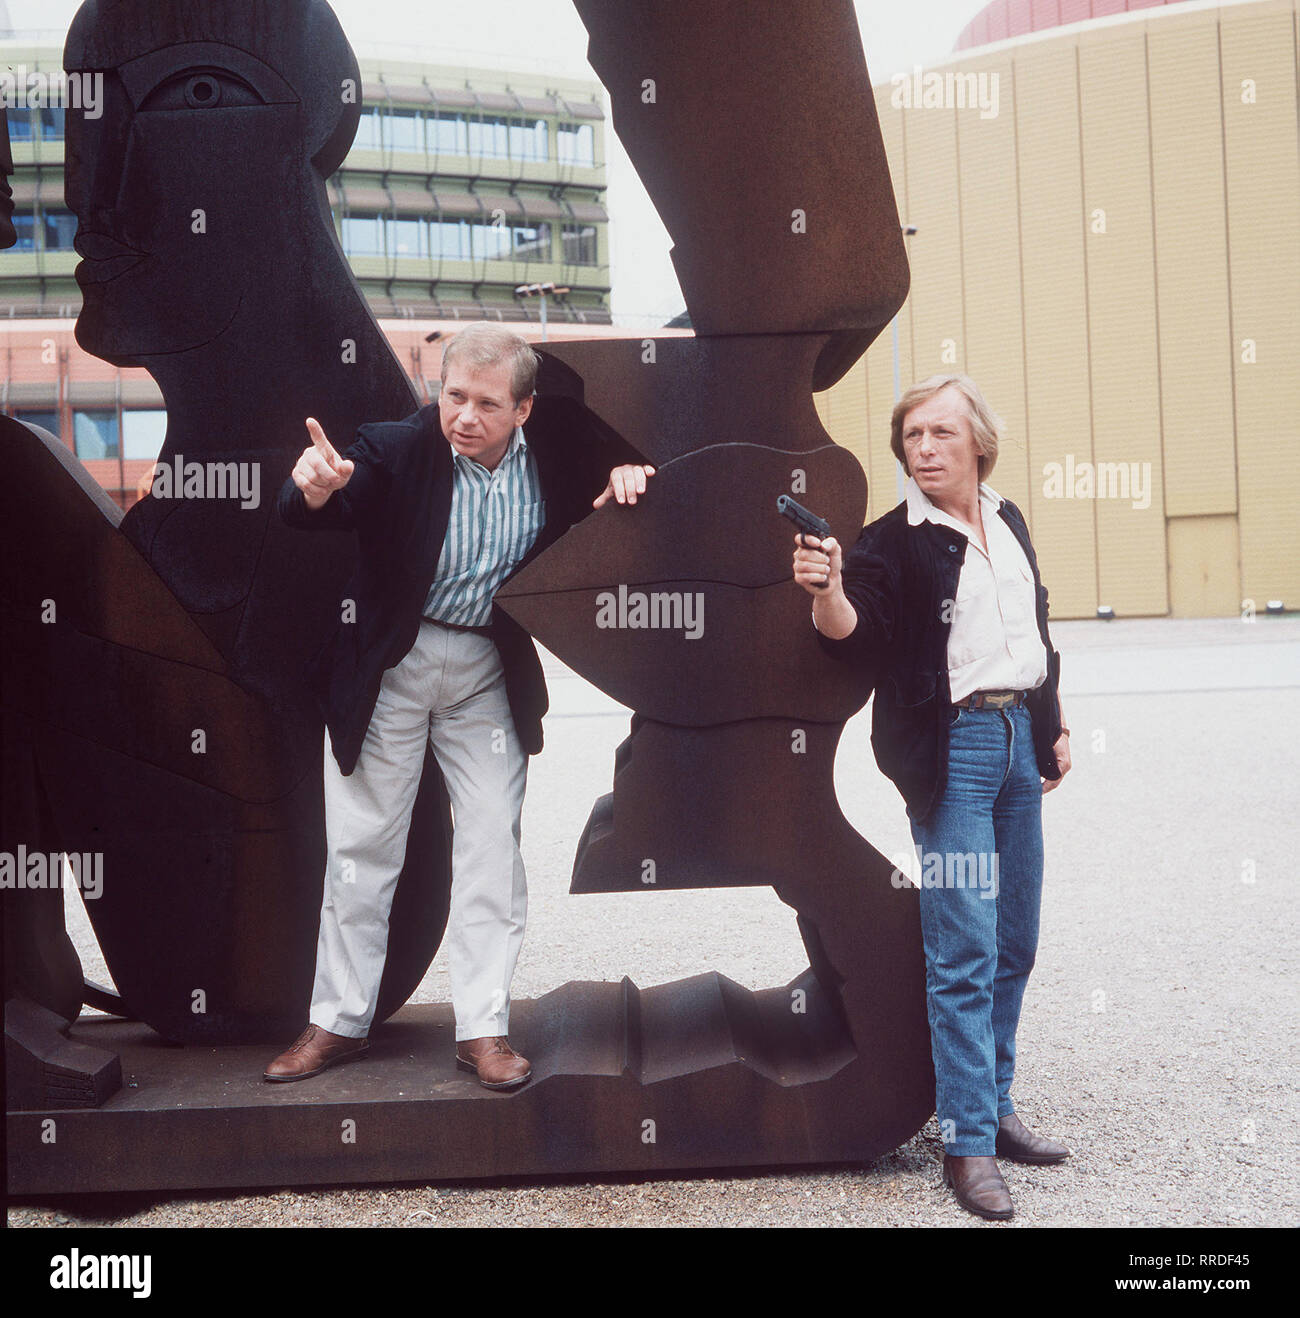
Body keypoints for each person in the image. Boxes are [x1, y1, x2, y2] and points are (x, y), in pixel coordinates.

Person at [265, 323, 654, 1089]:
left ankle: (483, 1029)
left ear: (524, 410)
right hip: (391, 664)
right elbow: (326, 498)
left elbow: (616, 471)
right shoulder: (396, 448)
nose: (464, 416)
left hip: (485, 664)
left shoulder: (555, 450)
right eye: (453, 396)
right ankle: (336, 1023)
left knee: (490, 850)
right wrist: (313, 487)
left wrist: (630, 475)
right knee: (361, 849)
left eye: (486, 403)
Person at [792, 373, 1071, 1220]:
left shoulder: (1009, 517)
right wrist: (828, 589)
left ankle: (997, 1103)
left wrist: (1052, 723)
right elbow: (857, 632)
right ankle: (967, 1143)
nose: (925, 449)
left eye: (942, 434)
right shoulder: (890, 540)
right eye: (912, 436)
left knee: (1015, 937)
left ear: (979, 441)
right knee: (963, 947)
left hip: (1018, 739)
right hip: (953, 753)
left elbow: (1036, 633)